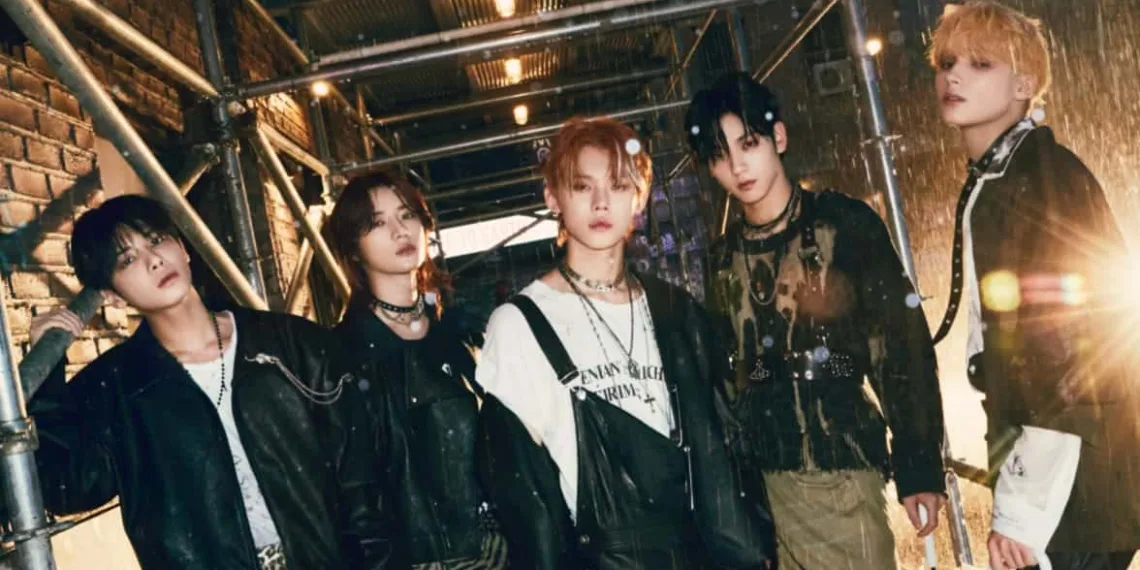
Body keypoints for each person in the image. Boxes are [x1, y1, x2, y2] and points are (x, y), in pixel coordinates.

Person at [475, 117, 773, 570]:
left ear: (639, 197)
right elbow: (528, 500)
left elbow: (717, 455)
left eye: (617, 186)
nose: (600, 202)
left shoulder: (675, 311)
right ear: (552, 197)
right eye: (581, 186)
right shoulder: (519, 324)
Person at [27, 195, 382, 570]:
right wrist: (46, 382)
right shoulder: (116, 388)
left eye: (157, 240)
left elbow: (358, 473)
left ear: (183, 249)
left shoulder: (289, 342)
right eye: (128, 260)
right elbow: (70, 490)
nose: (154, 260)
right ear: (113, 296)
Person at [685, 72, 946, 570]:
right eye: (719, 156)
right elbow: (729, 379)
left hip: (838, 469)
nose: (737, 166)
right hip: (761, 490)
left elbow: (900, 346)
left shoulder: (842, 224)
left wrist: (919, 466)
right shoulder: (722, 260)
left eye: (749, 144)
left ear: (778, 138)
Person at [930, 3, 1140, 569]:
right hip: (1073, 479)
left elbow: (1062, 354)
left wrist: (1021, 511)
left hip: (1075, 486)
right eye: (947, 62)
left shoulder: (1040, 179)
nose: (953, 76)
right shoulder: (1008, 175)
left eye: (980, 63)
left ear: (1024, 85)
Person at [325, 170, 508, 569]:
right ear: (353, 248)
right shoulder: (340, 357)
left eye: (407, 215)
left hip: (496, 552)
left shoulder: (464, 337)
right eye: (377, 223)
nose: (400, 231)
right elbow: (352, 493)